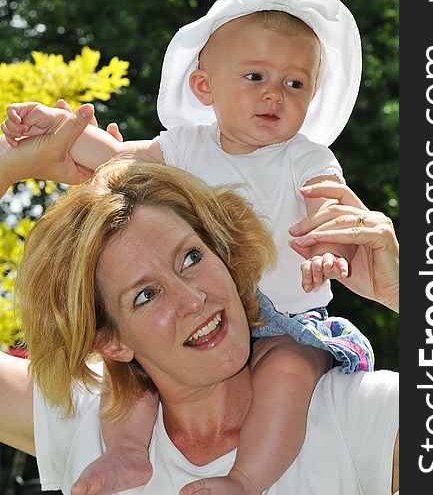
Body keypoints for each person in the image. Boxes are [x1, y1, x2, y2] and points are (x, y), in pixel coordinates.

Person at [1, 0, 373, 495]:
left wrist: (330, 249)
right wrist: (55, 132)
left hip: (287, 320)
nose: (275, 94)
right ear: (203, 86)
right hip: (191, 340)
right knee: (133, 380)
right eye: (255, 77)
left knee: (287, 375)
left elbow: (330, 214)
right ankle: (127, 451)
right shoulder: (185, 147)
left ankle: (244, 479)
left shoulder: (305, 158)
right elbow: (116, 159)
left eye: (296, 84)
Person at [0, 121, 399, 495]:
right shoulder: (85, 424)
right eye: (146, 295)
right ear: (112, 342)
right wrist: (10, 163)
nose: (193, 300)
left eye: (191, 258)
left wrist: (403, 294)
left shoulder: (353, 414)